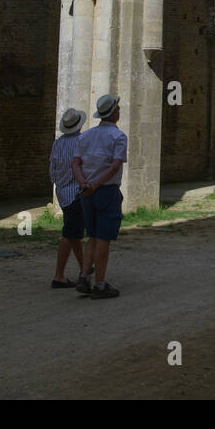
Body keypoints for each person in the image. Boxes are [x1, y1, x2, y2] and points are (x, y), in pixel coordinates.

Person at [71, 93, 127, 299]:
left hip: (86, 192)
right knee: (104, 238)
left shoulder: (85, 136)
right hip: (106, 191)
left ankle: (84, 276)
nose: (120, 111)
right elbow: (115, 166)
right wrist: (95, 184)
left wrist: (84, 183)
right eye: (118, 109)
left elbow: (75, 163)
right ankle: (100, 284)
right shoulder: (118, 136)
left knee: (92, 236)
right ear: (113, 113)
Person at [48, 108, 88, 289]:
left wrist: (59, 182)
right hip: (76, 194)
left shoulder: (58, 143)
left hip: (62, 193)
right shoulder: (82, 142)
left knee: (74, 234)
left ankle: (85, 268)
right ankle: (59, 276)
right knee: (69, 234)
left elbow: (52, 169)